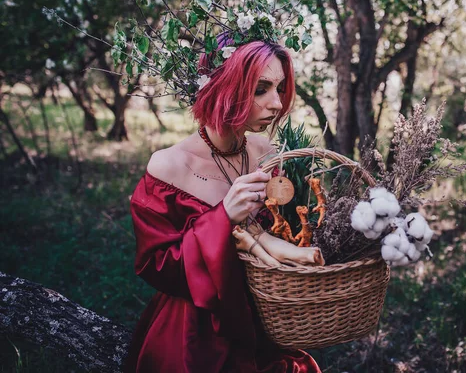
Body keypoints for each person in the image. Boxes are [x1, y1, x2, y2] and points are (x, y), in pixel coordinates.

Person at [123, 37, 322, 372]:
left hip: (266, 317)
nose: (276, 103)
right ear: (225, 88)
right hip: (197, 328)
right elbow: (155, 265)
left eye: (280, 88)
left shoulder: (267, 153)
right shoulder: (168, 166)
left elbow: (284, 232)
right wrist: (223, 217)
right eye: (261, 89)